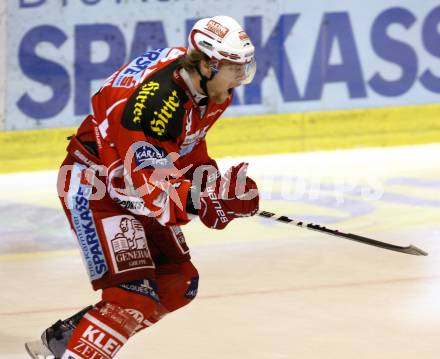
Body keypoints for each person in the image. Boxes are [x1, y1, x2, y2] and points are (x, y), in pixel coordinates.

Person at [25, 15, 259, 359]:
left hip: (126, 180)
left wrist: (215, 187)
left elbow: (186, 149)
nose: (242, 76)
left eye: (246, 66)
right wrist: (204, 202)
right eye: (235, 67)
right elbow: (145, 192)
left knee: (178, 282)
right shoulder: (153, 108)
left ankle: (67, 342)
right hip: (95, 183)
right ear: (209, 64)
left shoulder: (209, 89)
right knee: (130, 296)